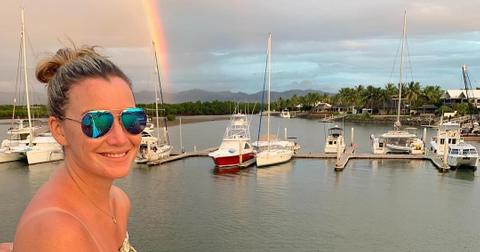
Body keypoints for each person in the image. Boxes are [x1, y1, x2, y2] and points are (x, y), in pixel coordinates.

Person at [10, 46, 144, 251]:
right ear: (59, 130)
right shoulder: (56, 233)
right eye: (97, 122)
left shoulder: (119, 202)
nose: (119, 138)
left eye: (132, 119)